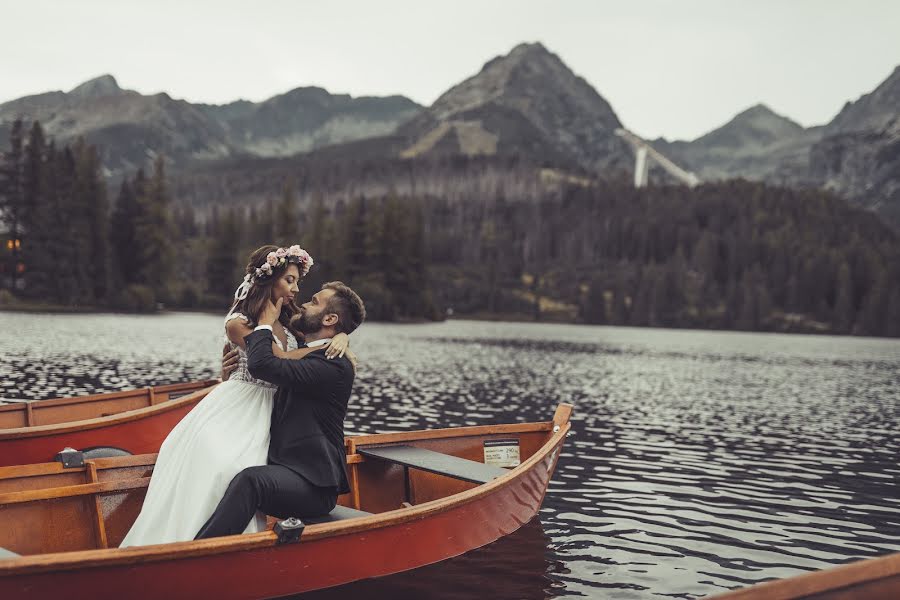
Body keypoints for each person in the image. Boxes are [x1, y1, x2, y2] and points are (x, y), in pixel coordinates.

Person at [120, 245, 349, 547]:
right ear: (270, 280)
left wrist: (342, 336)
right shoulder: (238, 322)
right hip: (240, 406)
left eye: (297, 282)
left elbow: (316, 334)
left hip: (270, 413)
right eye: (290, 280)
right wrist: (316, 344)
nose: (296, 289)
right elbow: (275, 359)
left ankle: (225, 549)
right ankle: (192, 547)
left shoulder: (292, 321)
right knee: (222, 468)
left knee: (246, 473)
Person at [195, 280, 365, 539]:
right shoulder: (309, 351)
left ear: (330, 319)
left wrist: (264, 322)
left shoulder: (333, 365)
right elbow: (267, 373)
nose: (306, 303)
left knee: (252, 482)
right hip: (285, 466)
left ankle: (200, 554)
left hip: (314, 484)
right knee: (220, 466)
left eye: (315, 302)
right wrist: (228, 378)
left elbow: (264, 365)